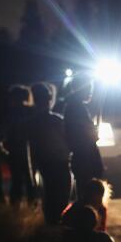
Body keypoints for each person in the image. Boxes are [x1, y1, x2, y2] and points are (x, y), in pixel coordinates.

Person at [28, 83, 71, 224]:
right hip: (56, 163)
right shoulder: (55, 120)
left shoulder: (33, 122)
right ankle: (57, 227)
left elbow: (32, 149)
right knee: (59, 198)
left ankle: (53, 226)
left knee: (51, 198)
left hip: (47, 163)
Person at [64, 76, 103, 188]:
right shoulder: (76, 108)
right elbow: (81, 134)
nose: (91, 92)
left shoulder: (75, 107)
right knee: (87, 189)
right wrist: (93, 134)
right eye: (89, 88)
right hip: (85, 157)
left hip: (83, 156)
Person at [3, 84, 37, 207]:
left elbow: (7, 131)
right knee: (29, 180)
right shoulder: (30, 111)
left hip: (18, 150)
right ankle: (31, 205)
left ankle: (16, 205)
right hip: (26, 150)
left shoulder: (14, 112)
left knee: (18, 180)